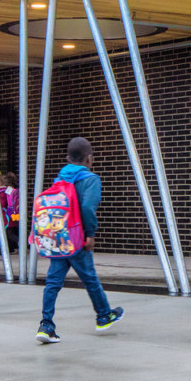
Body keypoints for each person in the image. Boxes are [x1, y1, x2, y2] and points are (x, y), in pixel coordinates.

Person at [36, 137, 123, 344]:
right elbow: (87, 208)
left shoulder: (61, 178)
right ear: (89, 158)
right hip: (77, 239)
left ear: (68, 158)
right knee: (90, 278)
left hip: (59, 238)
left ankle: (46, 325)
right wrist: (90, 234)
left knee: (53, 282)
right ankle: (103, 315)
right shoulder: (91, 179)